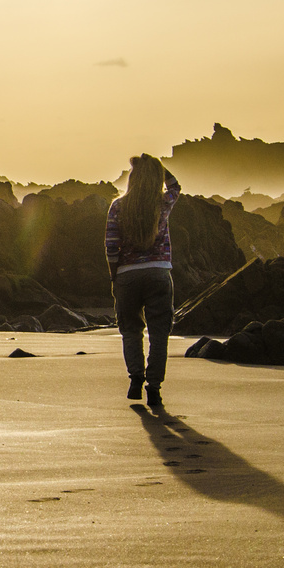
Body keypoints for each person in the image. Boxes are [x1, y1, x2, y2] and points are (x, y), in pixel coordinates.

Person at [105, 155, 181, 408]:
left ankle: (136, 379)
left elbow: (111, 246)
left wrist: (114, 276)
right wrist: (158, 168)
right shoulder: (161, 204)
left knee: (131, 330)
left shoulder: (118, 206)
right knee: (159, 334)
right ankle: (155, 388)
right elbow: (175, 187)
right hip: (159, 273)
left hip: (127, 274)